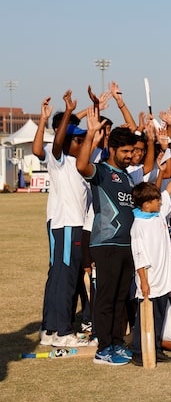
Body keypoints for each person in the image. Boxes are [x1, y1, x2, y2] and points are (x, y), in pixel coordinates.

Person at [76, 107, 140, 366]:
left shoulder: (127, 177)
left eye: (131, 152)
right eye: (125, 152)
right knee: (105, 297)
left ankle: (116, 342)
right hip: (105, 244)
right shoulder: (101, 171)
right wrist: (91, 134)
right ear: (112, 150)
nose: (129, 156)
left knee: (120, 297)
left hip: (126, 245)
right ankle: (103, 348)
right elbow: (81, 165)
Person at [31, 92, 92, 348]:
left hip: (68, 225)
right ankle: (63, 332)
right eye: (77, 139)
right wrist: (64, 113)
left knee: (60, 277)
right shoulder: (59, 159)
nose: (81, 143)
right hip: (67, 225)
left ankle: (50, 328)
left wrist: (92, 109)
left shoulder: (77, 162)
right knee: (65, 278)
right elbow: (49, 145)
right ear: (67, 141)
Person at [129, 159, 171, 366]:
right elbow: (139, 256)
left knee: (159, 318)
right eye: (156, 200)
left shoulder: (157, 215)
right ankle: (139, 352)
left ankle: (156, 349)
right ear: (146, 204)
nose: (160, 202)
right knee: (145, 319)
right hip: (150, 281)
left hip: (164, 279)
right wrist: (144, 282)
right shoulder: (138, 225)